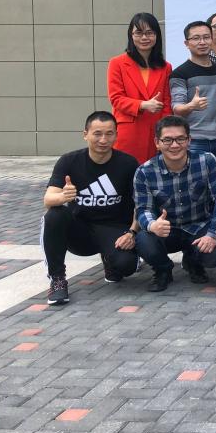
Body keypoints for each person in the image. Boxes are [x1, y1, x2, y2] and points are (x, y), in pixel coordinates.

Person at [41, 111, 140, 305]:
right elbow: (48, 199)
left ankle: (110, 260)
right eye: (97, 134)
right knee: (54, 215)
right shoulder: (69, 161)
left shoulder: (128, 163)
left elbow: (140, 203)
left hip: (114, 228)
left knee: (126, 267)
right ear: (85, 134)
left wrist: (132, 232)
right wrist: (63, 196)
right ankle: (57, 279)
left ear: (116, 135)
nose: (103, 140)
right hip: (80, 230)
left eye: (109, 133)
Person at [134, 116, 216, 292]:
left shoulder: (207, 161)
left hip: (199, 227)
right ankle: (163, 270)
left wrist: (213, 234)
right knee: (144, 240)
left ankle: (193, 263)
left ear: (189, 140)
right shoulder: (144, 171)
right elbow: (143, 208)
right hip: (166, 230)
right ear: (157, 142)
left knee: (212, 255)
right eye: (167, 140)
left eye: (180, 139)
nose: (175, 145)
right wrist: (153, 225)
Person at [170, 20, 216, 183]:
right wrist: (191, 106)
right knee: (194, 186)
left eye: (206, 37)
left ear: (212, 39)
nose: (202, 42)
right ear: (186, 43)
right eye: (196, 38)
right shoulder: (179, 73)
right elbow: (177, 108)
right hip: (195, 139)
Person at [107, 12, 172, 164]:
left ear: (157, 36)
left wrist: (166, 130)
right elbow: (116, 98)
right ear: (131, 35)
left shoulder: (165, 67)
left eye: (149, 33)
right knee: (126, 171)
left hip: (156, 131)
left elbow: (167, 102)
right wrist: (143, 105)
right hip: (129, 131)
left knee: (154, 172)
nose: (144, 38)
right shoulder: (117, 63)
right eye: (139, 33)